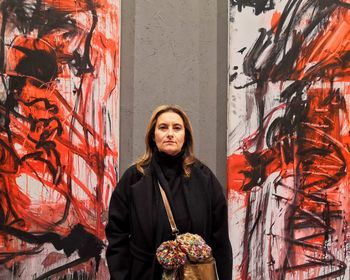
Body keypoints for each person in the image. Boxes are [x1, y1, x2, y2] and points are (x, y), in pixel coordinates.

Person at [106, 104, 233, 279]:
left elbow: (220, 241)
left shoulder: (204, 179)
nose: (170, 133)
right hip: (144, 275)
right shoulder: (134, 179)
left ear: (185, 136)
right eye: (163, 127)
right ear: (153, 136)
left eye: (177, 128)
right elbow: (117, 237)